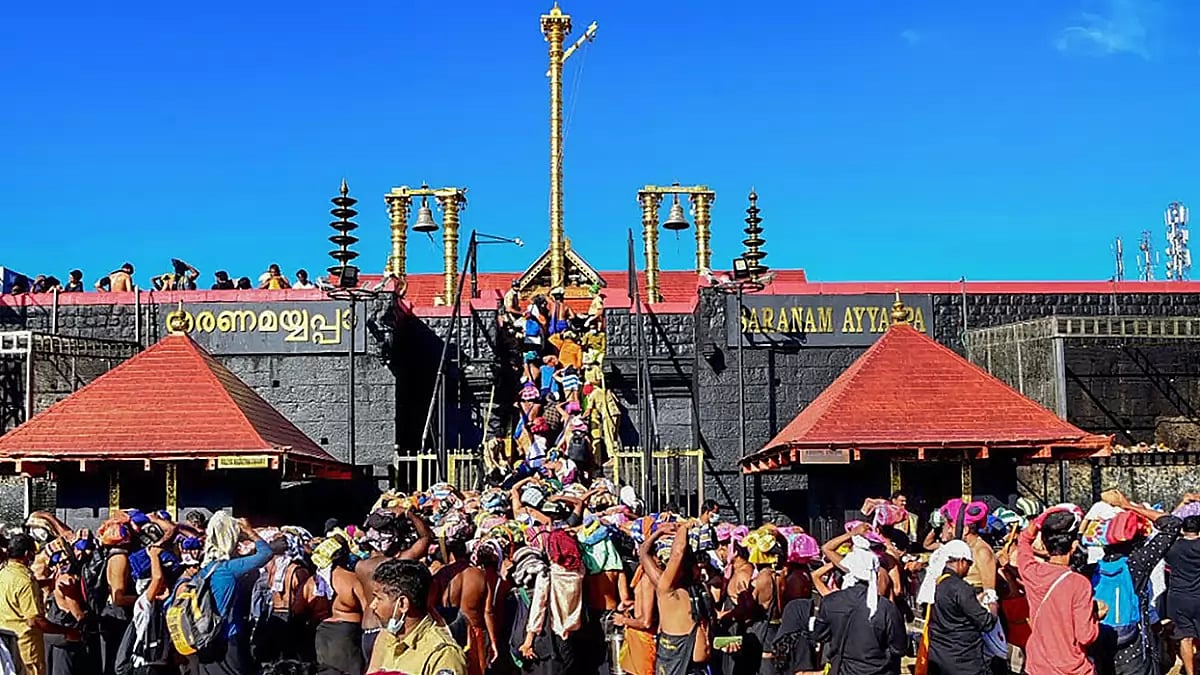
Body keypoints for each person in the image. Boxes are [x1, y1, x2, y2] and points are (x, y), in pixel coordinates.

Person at [1091, 489, 1182, 675]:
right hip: (1133, 649)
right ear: (1137, 540)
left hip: (1099, 646)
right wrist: (1128, 506)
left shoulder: (1092, 569)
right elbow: (1173, 524)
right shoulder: (1137, 564)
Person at [1017, 508, 1102, 675]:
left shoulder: (1031, 572)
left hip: (1037, 666)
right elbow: (1086, 635)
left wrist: (1036, 524)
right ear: (1074, 546)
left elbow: (1023, 542)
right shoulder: (1079, 584)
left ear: (1043, 545)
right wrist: (1096, 616)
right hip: (1071, 668)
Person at [811, 547, 906, 675]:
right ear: (875, 573)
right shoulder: (886, 608)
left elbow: (820, 635)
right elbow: (899, 648)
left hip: (842, 670)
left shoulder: (830, 601)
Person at [198, 513, 272, 675]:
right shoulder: (229, 568)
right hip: (228, 637)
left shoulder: (205, 570)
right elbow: (266, 553)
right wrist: (250, 532)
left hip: (205, 638)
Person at [367, 559, 467, 675]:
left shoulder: (442, 654)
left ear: (402, 604)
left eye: (378, 598)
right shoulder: (386, 638)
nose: (372, 605)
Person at [0, 534, 79, 675]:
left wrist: (47, 582)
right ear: (26, 554)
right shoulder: (25, 581)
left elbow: (17, 590)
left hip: (5, 643)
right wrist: (67, 631)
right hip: (25, 649)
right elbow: (35, 621)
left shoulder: (4, 573)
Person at [640, 522, 710, 675]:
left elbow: (643, 552)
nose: (700, 570)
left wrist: (659, 532)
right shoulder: (666, 587)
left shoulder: (696, 590)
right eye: (697, 566)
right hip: (676, 664)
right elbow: (677, 552)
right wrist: (684, 527)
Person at [926, 540, 998, 675]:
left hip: (939, 656)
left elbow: (952, 606)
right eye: (969, 564)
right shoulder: (961, 588)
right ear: (961, 562)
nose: (969, 569)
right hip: (963, 660)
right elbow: (986, 623)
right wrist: (993, 606)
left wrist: (974, 600)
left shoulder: (937, 583)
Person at [309, 533, 369, 675]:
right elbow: (368, 608)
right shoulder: (352, 579)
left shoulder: (311, 583)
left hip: (322, 632)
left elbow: (300, 607)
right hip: (347, 632)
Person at [1167, 515, 1200, 675]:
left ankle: (1190, 672)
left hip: (1178, 597)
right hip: (1198, 596)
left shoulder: (1171, 546)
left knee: (1185, 638)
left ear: (1182, 529)